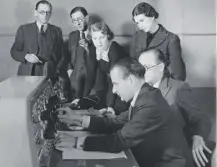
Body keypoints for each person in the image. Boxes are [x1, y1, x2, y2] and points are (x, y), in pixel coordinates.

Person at [56, 57, 186, 167]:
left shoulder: (149, 104)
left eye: (116, 84)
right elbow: (115, 122)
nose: (113, 90)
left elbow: (118, 141)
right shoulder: (145, 96)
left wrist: (75, 142)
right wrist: (76, 118)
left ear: (130, 79)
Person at [138, 49, 213, 167]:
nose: (141, 72)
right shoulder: (141, 90)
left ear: (161, 67)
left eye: (146, 67)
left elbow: (199, 118)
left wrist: (198, 136)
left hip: (173, 156)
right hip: (147, 151)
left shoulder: (178, 88)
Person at [71, 21, 129, 115]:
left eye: (102, 37)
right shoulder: (94, 49)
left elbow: (114, 79)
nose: (98, 42)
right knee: (95, 102)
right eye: (95, 38)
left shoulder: (114, 49)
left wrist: (110, 105)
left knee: (117, 109)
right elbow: (90, 75)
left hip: (123, 81)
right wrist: (81, 97)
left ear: (108, 36)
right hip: (106, 80)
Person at [130, 2, 186, 81]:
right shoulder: (136, 36)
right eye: (137, 23)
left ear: (152, 16)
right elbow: (132, 65)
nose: (140, 26)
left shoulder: (171, 39)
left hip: (162, 85)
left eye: (142, 20)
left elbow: (178, 74)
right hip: (141, 84)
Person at [11, 0, 67, 78]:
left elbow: (62, 55)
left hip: (50, 75)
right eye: (42, 12)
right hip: (27, 75)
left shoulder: (57, 31)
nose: (45, 15)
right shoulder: (24, 29)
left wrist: (56, 70)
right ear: (36, 13)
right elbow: (14, 51)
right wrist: (26, 56)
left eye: (48, 12)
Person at [67, 6, 97, 99]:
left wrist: (88, 48)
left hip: (91, 79)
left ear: (86, 18)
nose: (78, 23)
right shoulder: (72, 36)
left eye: (80, 19)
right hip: (74, 79)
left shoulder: (96, 34)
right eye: (74, 20)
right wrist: (69, 71)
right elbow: (68, 56)